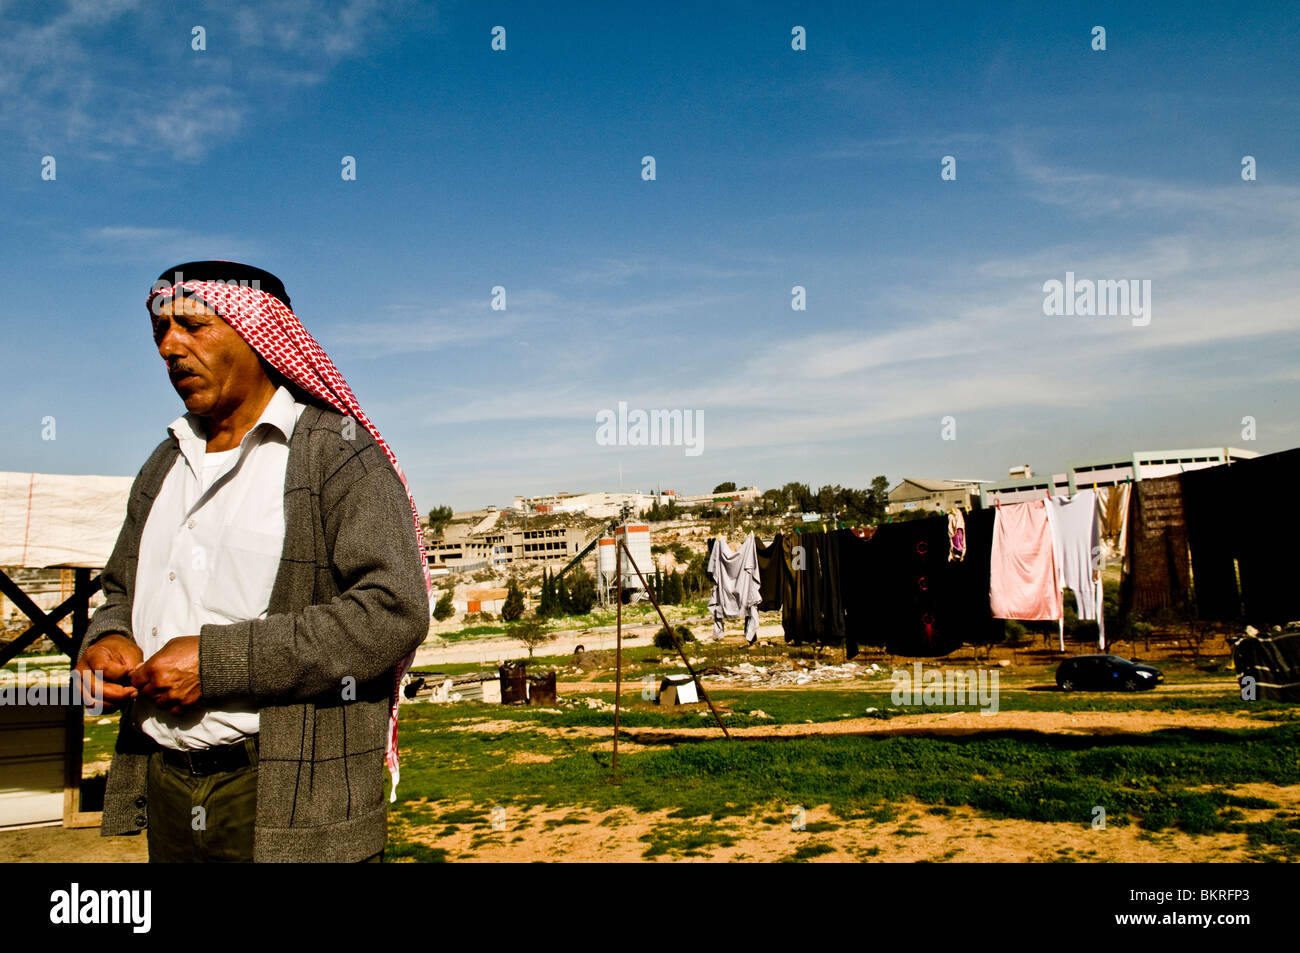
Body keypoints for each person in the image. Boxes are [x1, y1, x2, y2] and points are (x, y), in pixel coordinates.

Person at [73, 261, 431, 862]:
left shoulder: (335, 456)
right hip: (167, 783)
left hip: (285, 790)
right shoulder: (164, 464)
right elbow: (119, 590)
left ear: (257, 331)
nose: (170, 347)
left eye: (191, 325)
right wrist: (106, 639)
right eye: (160, 332)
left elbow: (393, 612)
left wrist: (217, 664)